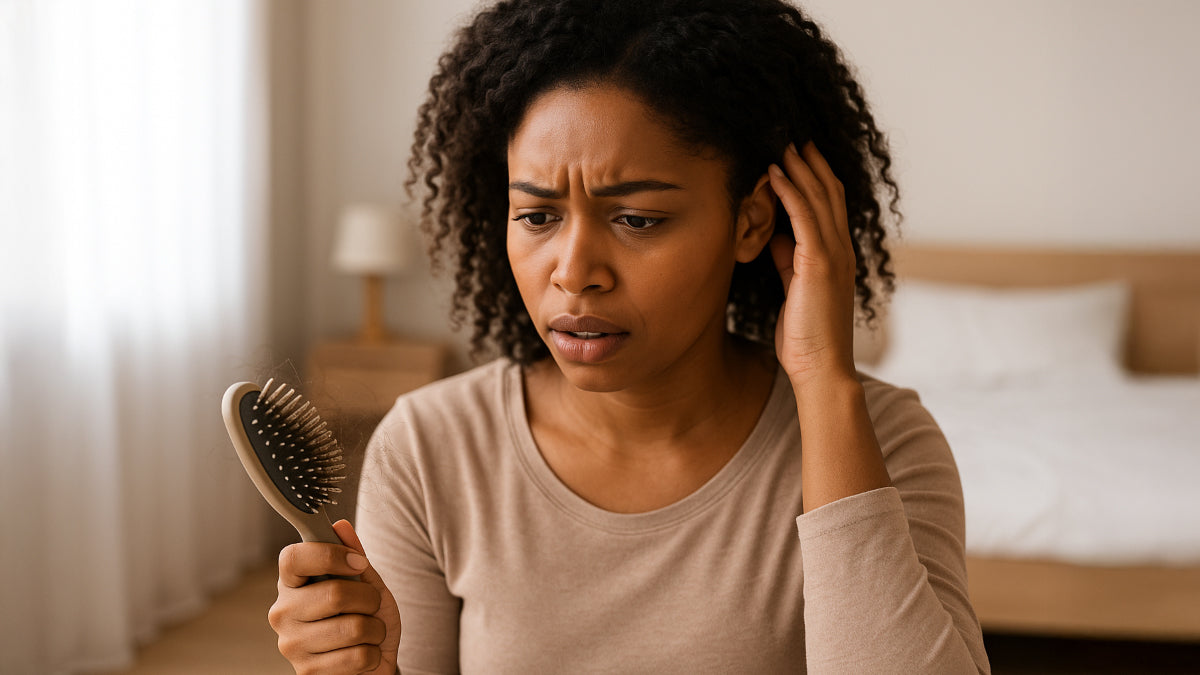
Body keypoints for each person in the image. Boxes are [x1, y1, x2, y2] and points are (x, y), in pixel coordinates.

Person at [269, 0, 991, 672]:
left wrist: (825, 380)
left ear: (751, 222)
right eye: (538, 216)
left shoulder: (885, 444)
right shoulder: (431, 448)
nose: (574, 272)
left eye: (637, 219)